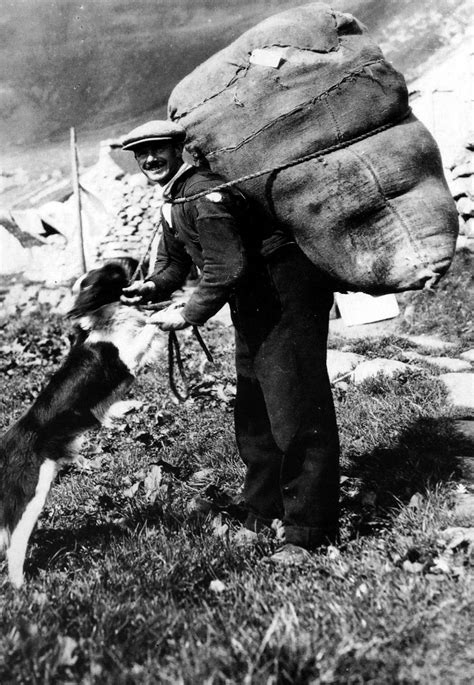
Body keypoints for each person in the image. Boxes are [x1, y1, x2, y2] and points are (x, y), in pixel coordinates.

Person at [121, 120, 340, 564]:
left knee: (296, 407)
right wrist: (154, 288)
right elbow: (175, 263)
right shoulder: (175, 197)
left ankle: (309, 532)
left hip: (286, 294)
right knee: (255, 408)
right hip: (254, 302)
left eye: (157, 150)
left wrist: (186, 313)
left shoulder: (205, 193)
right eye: (140, 154)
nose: (149, 160)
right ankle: (263, 511)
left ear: (179, 148)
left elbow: (226, 266)